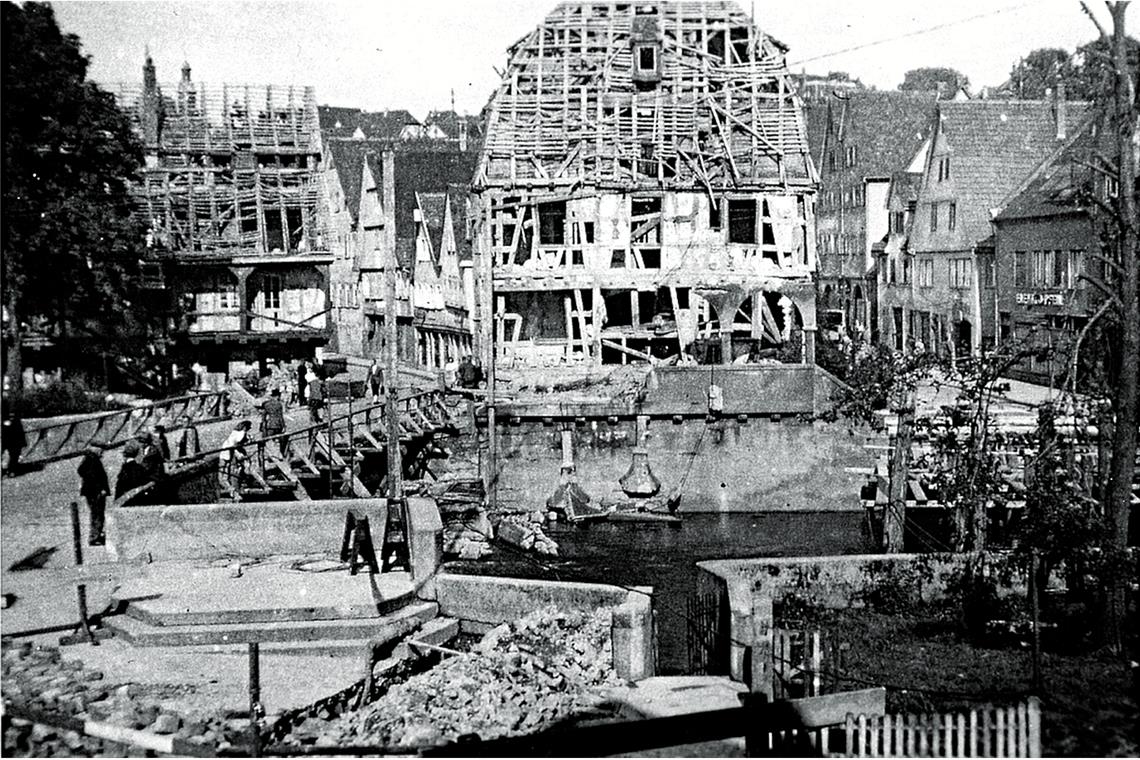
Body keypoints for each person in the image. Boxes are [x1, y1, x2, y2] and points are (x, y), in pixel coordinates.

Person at [77, 446, 110, 546]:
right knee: (97, 514)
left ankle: (96, 535)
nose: (102, 453)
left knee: (96, 513)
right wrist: (100, 488)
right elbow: (95, 476)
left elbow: (81, 470)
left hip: (91, 492)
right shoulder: (93, 460)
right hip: (95, 492)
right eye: (101, 450)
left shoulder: (88, 458)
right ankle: (95, 537)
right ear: (96, 449)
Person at [218, 420, 253, 492]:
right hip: (228, 451)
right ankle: (230, 488)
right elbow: (236, 443)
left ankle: (227, 485)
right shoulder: (241, 433)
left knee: (223, 470)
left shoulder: (235, 432)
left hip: (226, 449)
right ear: (245, 427)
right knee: (225, 470)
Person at [1, 399, 26, 476]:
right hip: (6, 431)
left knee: (15, 452)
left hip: (14, 432)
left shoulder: (12, 400)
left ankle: (12, 470)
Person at [260, 388, 287, 456]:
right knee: (281, 440)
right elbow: (280, 416)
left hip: (269, 425)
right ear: (277, 396)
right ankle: (280, 454)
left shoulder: (266, 404)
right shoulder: (279, 404)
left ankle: (271, 454)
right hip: (278, 425)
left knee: (269, 440)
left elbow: (263, 416)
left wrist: (263, 424)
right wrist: (283, 426)